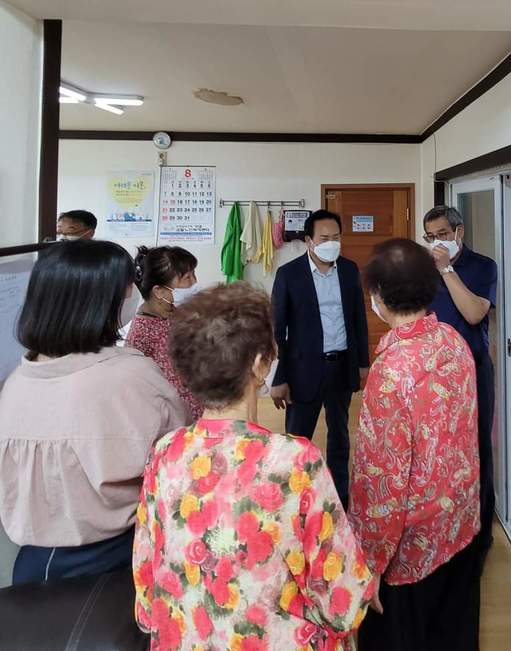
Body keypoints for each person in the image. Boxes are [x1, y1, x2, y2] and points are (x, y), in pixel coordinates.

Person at [133, 282, 376, 650]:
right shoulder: (294, 462)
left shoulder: (165, 452)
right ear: (261, 363)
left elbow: (147, 587)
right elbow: (341, 601)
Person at [0, 240, 189, 586]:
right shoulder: (130, 374)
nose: (133, 291)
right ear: (102, 299)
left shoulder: (15, 381)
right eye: (126, 285)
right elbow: (179, 453)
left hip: (31, 565)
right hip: (117, 557)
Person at [348, 238, 481, 651]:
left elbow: (380, 484)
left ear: (378, 297)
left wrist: (367, 563)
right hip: (460, 523)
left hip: (412, 547)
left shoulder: (391, 371)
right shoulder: (453, 342)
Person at [270, 209, 369, 507]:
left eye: (336, 237)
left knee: (340, 434)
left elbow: (358, 320)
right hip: (303, 370)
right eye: (325, 238)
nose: (332, 243)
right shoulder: (289, 274)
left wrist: (363, 363)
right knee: (297, 440)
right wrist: (279, 377)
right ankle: (292, 497)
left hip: (341, 365)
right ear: (309, 241)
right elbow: (279, 330)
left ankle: (339, 498)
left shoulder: (350, 270)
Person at [424, 205, 498, 568]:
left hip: (473, 370)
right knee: (441, 450)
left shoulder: (483, 267)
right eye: (430, 237)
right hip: (435, 374)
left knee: (478, 449)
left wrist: (447, 270)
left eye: (441, 234)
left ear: (459, 231)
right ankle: (446, 528)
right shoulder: (426, 270)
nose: (436, 242)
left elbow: (473, 313)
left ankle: (481, 537)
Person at [126, 245, 203, 421]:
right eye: (187, 278)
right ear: (159, 291)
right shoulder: (141, 332)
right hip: (169, 420)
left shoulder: (178, 315)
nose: (195, 282)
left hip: (197, 411)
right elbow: (137, 387)